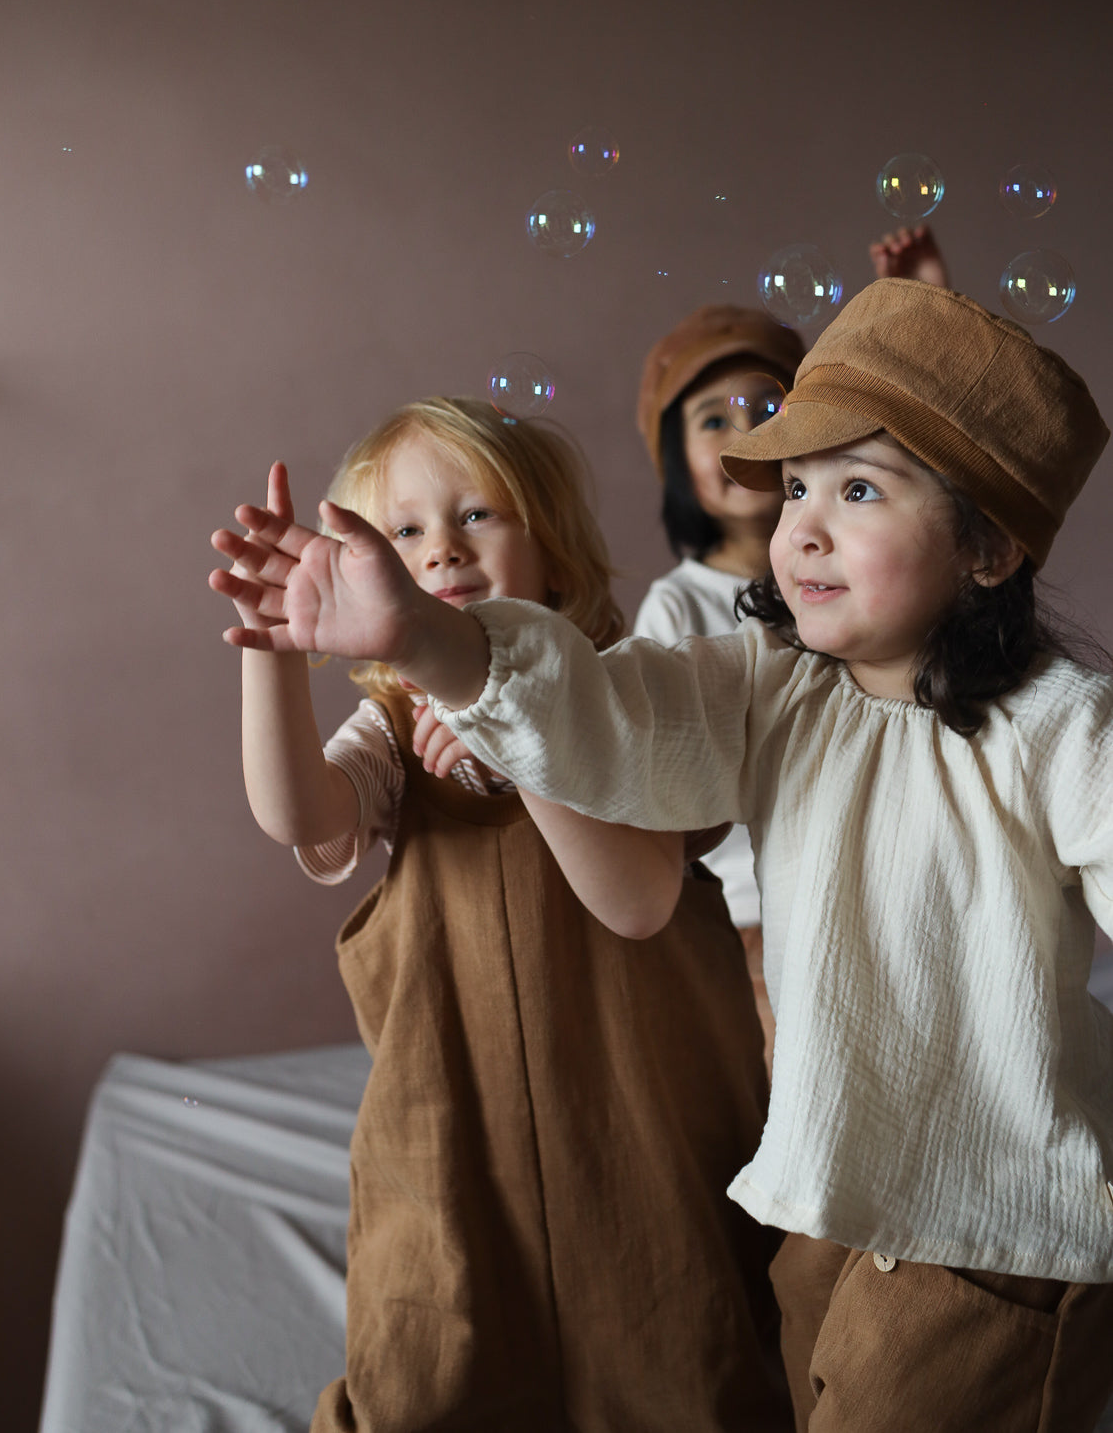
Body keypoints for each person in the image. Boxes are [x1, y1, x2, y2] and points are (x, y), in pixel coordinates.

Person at [211, 284, 1113, 1431]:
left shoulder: (1065, 729)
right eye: (794, 490)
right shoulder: (765, 682)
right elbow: (603, 718)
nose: (805, 528)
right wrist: (425, 644)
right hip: (828, 1202)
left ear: (986, 545)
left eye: (859, 489)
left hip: (994, 1227)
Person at [211, 397, 790, 1432]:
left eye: (479, 516)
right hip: (455, 1113)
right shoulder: (391, 725)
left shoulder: (637, 694)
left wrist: (520, 736)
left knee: (682, 1341)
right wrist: (271, 655)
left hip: (643, 1112)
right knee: (439, 1340)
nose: (442, 549)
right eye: (406, 531)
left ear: (556, 559)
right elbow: (298, 811)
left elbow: (640, 904)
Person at [633, 229, 950, 1070]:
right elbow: (662, 767)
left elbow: (943, 463)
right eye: (712, 418)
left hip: (882, 883)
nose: (744, 429)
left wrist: (918, 306)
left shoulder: (864, 581)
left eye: (767, 409)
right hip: (752, 908)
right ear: (674, 459)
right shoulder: (678, 607)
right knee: (794, 1073)